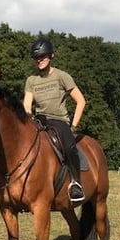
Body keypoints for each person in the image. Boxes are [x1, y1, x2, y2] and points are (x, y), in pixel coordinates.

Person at [23, 38, 87, 203]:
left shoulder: (61, 76)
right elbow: (27, 104)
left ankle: (75, 183)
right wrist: (28, 116)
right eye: (36, 57)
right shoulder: (31, 80)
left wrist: (73, 125)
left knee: (69, 147)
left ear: (51, 55)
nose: (39, 60)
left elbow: (80, 101)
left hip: (59, 121)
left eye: (43, 56)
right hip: (39, 121)